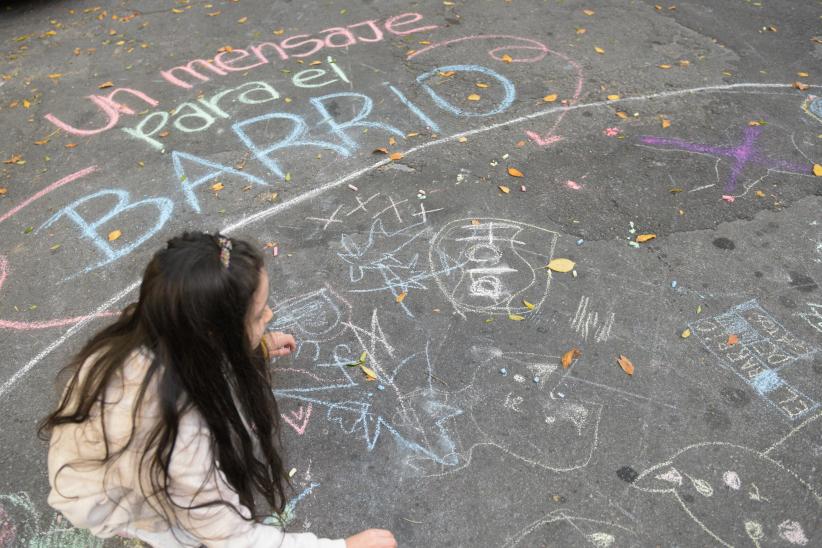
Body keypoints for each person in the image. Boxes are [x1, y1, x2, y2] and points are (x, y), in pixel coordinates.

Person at [39, 232, 397, 548]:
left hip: (108, 465)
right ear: (214, 336)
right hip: (110, 501)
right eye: (257, 317)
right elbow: (233, 538)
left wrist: (250, 344)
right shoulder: (177, 435)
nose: (269, 315)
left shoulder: (160, 325)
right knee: (185, 532)